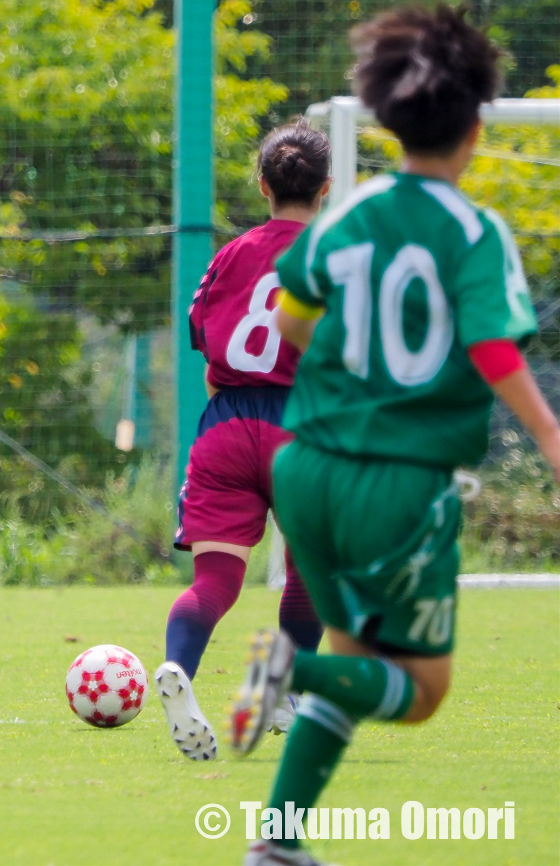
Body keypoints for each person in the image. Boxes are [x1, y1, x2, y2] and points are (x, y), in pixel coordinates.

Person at [230, 5, 560, 866]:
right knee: (419, 692)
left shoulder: (347, 216)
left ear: (383, 118)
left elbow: (294, 319)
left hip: (306, 466)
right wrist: (553, 440)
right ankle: (285, 674)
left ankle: (279, 839)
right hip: (398, 482)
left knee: (356, 653)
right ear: (478, 128)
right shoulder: (472, 230)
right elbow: (492, 347)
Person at [154, 121, 331, 762]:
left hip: (225, 422)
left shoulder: (230, 254)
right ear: (327, 189)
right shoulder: (333, 256)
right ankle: (287, 693)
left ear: (263, 185)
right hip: (300, 426)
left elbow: (205, 342)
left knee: (216, 581)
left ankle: (179, 669)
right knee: (312, 569)